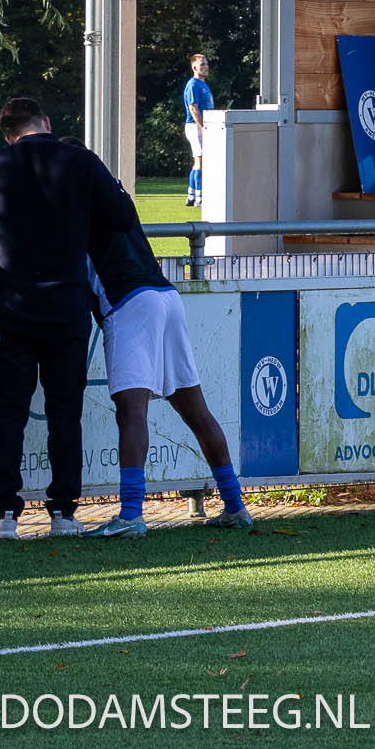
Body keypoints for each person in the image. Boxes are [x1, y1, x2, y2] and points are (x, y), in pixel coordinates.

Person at [0, 96, 135, 542]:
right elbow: (122, 216)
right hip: (68, 305)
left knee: (10, 411)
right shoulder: (81, 161)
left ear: (8, 133)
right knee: (65, 412)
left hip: (12, 307)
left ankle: (4, 514)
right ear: (47, 121)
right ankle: (63, 512)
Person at [84, 210, 251, 538]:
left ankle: (131, 514)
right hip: (166, 295)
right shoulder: (109, 191)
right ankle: (235, 506)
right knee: (197, 412)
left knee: (132, 412)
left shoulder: (70, 197)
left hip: (129, 303)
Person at [182, 53, 212, 207]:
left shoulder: (203, 84)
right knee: (201, 161)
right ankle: (200, 198)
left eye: (206, 64)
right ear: (194, 67)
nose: (206, 67)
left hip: (199, 127)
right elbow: (193, 108)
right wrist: (203, 127)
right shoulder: (193, 84)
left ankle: (191, 195)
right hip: (195, 126)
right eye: (202, 65)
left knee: (198, 161)